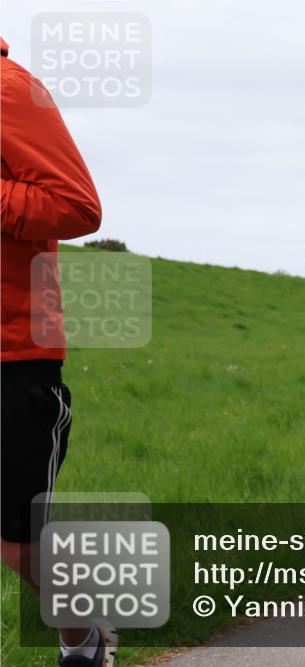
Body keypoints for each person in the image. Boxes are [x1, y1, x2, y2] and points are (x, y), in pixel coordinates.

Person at [0, 38, 115, 667]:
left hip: (13, 357)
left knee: (16, 541)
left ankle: (85, 640)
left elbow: (78, 205)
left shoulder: (12, 89)